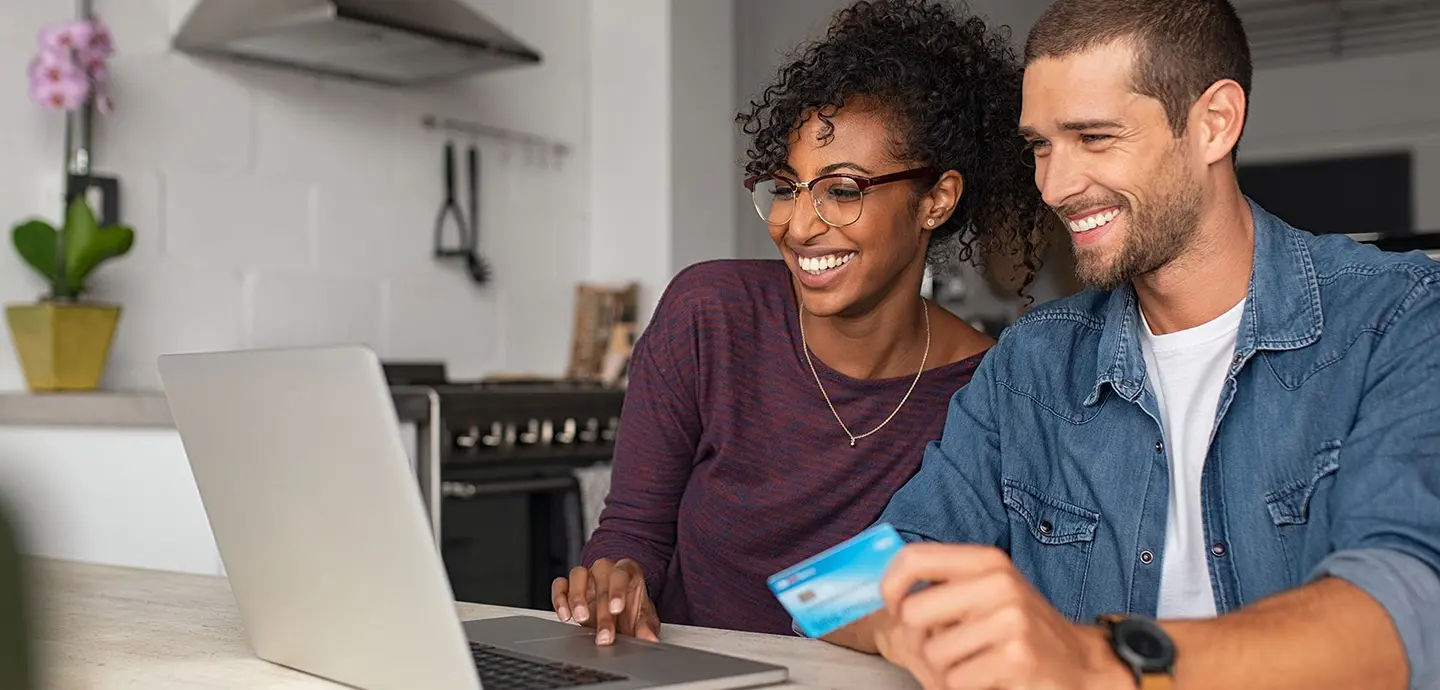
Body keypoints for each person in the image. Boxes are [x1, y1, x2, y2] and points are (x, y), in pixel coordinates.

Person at [827, 1, 1440, 688]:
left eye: (1094, 137)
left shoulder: (1400, 315)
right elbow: (838, 589)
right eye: (1040, 145)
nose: (1054, 186)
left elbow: (1408, 612)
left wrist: (1096, 660)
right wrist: (915, 617)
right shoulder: (1033, 365)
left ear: (1214, 124)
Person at [551, 0, 1049, 645]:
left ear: (936, 200)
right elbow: (632, 531)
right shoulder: (710, 314)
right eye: (787, 186)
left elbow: (931, 587)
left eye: (842, 190)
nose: (799, 224)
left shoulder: (988, 389)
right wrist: (613, 581)